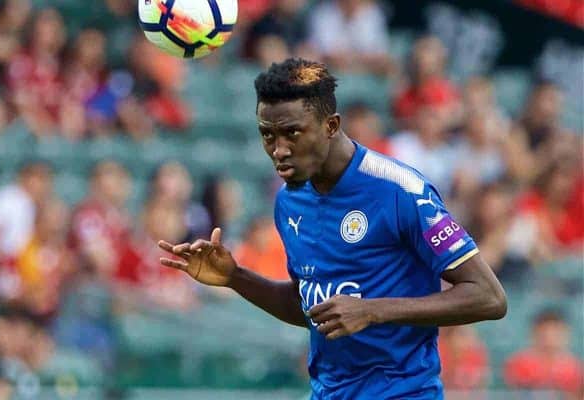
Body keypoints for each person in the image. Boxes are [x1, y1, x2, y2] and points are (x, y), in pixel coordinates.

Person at [158, 58, 507, 399]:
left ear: (330, 125)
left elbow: (488, 296)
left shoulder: (399, 190)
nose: (278, 150)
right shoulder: (289, 201)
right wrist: (236, 278)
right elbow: (311, 309)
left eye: (292, 133)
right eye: (268, 135)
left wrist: (372, 311)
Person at [504, 309, 583, 399]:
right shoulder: (519, 363)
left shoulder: (575, 367)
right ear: (535, 333)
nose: (550, 337)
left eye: (556, 331)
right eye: (545, 331)